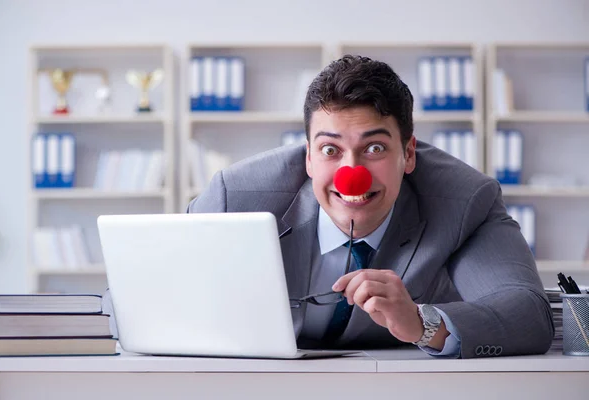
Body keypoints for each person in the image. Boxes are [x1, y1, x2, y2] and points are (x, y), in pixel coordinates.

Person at [186, 55, 554, 359]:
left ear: (408, 153)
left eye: (375, 148)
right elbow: (150, 295)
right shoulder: (234, 198)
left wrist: (422, 323)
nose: (352, 175)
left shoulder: (463, 201)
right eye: (331, 150)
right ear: (309, 157)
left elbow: (527, 315)